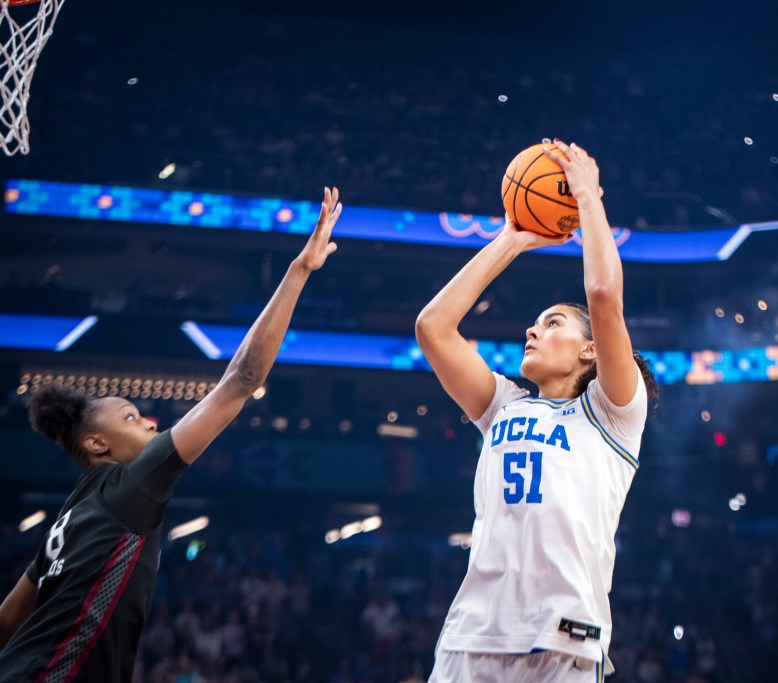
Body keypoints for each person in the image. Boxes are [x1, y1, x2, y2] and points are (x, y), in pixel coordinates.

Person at [0, 187, 344, 682]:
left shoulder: (70, 517)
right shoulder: (130, 487)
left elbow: (8, 619)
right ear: (97, 445)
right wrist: (299, 270)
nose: (150, 422)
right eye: (130, 418)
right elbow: (243, 378)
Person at [415, 139, 658, 682]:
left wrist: (588, 197)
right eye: (535, 322)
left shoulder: (613, 415)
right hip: (471, 637)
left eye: (553, 323)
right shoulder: (502, 406)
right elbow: (433, 327)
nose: (532, 329)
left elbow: (603, 294)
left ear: (590, 349)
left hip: (563, 640)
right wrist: (511, 238)